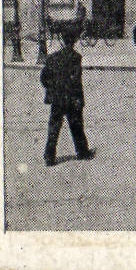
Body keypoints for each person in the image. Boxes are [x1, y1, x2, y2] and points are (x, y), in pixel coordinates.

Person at [40, 24, 95, 166]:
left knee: (54, 127)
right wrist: (79, 98)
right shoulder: (76, 57)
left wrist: (52, 88)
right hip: (71, 97)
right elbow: (76, 80)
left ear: (62, 41)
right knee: (76, 125)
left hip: (57, 98)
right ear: (74, 41)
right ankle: (82, 151)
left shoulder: (52, 58)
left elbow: (44, 77)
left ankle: (49, 156)